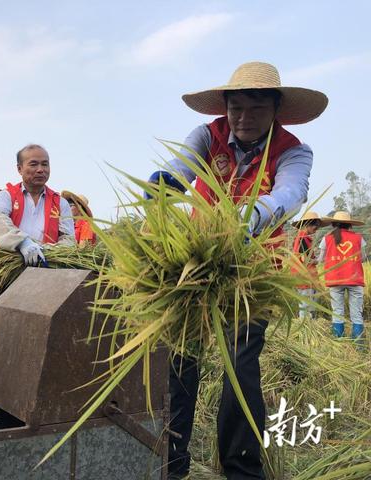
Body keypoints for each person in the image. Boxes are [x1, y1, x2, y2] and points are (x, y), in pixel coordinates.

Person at [147, 61, 328, 479]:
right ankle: (171, 462)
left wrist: (250, 216)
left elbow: (291, 191)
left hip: (255, 271)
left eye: (256, 108)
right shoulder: (207, 136)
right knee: (179, 360)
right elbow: (183, 164)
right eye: (236, 108)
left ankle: (240, 468)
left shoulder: (293, 150)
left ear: (276, 109)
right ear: (225, 108)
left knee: (239, 363)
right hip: (196, 265)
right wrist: (166, 183)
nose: (243, 118)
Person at [0, 144, 75, 393]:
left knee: (34, 343)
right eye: (33, 164)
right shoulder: (7, 196)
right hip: (10, 277)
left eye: (45, 164)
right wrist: (22, 242)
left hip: (45, 280)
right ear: (20, 168)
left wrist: (47, 251)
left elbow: (69, 239)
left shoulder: (59, 203)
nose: (40, 169)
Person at [317, 211, 366, 339]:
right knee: (356, 313)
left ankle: (338, 341)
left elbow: (320, 259)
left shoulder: (326, 239)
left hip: (335, 280)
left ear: (333, 224)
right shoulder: (358, 238)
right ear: (350, 224)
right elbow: (363, 257)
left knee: (337, 312)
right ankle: (359, 344)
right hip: (355, 279)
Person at [291, 211, 326, 320]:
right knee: (305, 306)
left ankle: (310, 329)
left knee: (309, 305)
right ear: (308, 224)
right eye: (315, 226)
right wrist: (317, 260)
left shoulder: (305, 238)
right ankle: (305, 330)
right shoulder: (301, 238)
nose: (316, 229)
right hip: (304, 277)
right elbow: (305, 260)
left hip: (308, 277)